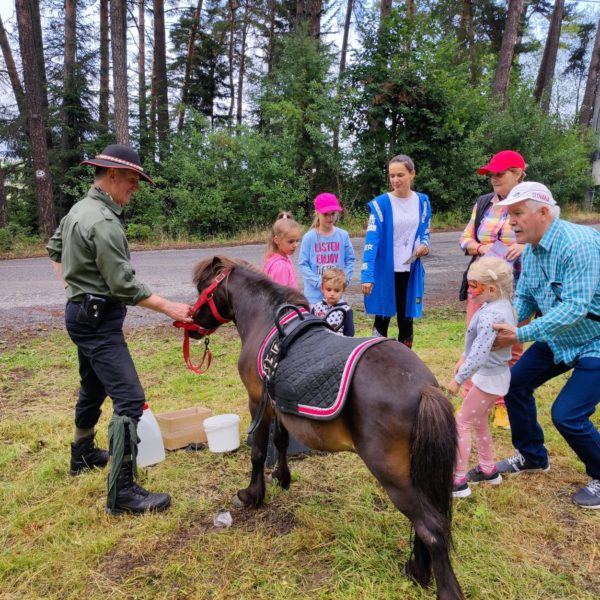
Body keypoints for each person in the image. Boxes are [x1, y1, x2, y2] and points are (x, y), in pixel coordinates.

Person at [46, 144, 194, 516]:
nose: (136, 187)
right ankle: (123, 492)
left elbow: (54, 251)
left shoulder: (79, 210)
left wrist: (72, 290)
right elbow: (123, 286)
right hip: (97, 322)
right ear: (111, 175)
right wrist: (170, 307)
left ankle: (82, 453)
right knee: (129, 399)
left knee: (93, 386)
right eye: (132, 179)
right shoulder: (102, 222)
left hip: (82, 314)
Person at [491, 181, 600, 510]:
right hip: (559, 338)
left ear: (543, 213)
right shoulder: (533, 249)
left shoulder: (578, 245)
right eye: (509, 214)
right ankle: (533, 456)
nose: (511, 221)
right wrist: (505, 322)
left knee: (567, 415)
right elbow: (524, 296)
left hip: (594, 340)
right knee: (514, 384)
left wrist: (519, 335)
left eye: (518, 213)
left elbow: (575, 308)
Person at [459, 150, 527, 429]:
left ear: (518, 174)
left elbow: (543, 237)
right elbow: (465, 239)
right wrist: (481, 247)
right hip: (481, 286)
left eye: (500, 173)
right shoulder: (484, 203)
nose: (494, 179)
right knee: (476, 340)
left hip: (515, 288)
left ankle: (504, 404)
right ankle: (472, 398)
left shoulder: (529, 203)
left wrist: (524, 246)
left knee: (510, 345)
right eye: (492, 175)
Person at [446, 257, 516, 498]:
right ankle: (488, 468)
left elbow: (479, 353)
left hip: (488, 378)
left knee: (461, 423)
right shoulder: (501, 304)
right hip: (496, 376)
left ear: (491, 289)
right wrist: (463, 357)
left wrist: (458, 378)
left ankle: (458, 480)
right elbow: (473, 347)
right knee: (479, 422)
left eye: (474, 286)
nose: (470, 291)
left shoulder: (490, 316)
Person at [360, 154, 430, 348]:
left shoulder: (423, 201)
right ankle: (375, 359)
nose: (395, 180)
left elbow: (425, 231)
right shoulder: (381, 204)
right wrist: (367, 275)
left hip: (410, 269)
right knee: (382, 317)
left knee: (406, 318)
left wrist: (424, 244)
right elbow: (371, 242)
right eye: (391, 176)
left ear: (412, 174)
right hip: (386, 271)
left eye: (400, 175)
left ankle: (406, 363)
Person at [298, 193, 355, 306]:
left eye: (333, 214)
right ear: (317, 213)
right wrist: (319, 282)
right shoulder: (309, 237)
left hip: (336, 295)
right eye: (326, 214)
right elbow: (303, 264)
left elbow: (350, 260)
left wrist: (344, 280)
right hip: (314, 297)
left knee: (336, 323)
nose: (330, 218)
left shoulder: (343, 235)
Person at [311, 267, 355, 336]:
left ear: (343, 290)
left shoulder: (346, 310)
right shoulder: (317, 307)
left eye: (336, 290)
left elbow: (350, 332)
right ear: (322, 288)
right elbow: (311, 326)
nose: (332, 293)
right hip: (319, 343)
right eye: (329, 289)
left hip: (338, 344)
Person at [263, 212, 302, 288]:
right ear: (277, 240)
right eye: (291, 241)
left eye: (297, 241)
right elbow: (281, 297)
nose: (295, 245)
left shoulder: (278, 258)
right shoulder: (280, 266)